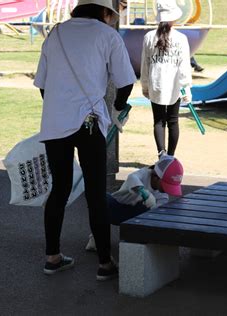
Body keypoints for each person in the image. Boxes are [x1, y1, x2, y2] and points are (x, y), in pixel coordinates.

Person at [33, 0, 136, 280]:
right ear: (104, 11)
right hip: (90, 121)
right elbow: (126, 81)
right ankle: (105, 263)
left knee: (60, 189)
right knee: (95, 192)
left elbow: (42, 84)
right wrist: (116, 108)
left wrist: (60, 109)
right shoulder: (107, 35)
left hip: (55, 122)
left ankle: (52, 257)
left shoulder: (55, 33)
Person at [85, 155, 184, 251]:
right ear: (156, 177)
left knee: (151, 212)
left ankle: (130, 239)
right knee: (99, 197)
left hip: (136, 217)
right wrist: (144, 192)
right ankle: (97, 235)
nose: (167, 190)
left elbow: (157, 217)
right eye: (166, 185)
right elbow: (132, 177)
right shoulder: (144, 174)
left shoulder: (163, 196)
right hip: (116, 207)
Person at [140, 0, 192, 158]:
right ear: (174, 17)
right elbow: (184, 67)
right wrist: (186, 88)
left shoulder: (149, 37)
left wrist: (145, 86)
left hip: (156, 84)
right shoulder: (181, 38)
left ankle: (161, 155)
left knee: (158, 121)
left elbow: (145, 64)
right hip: (175, 85)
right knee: (173, 121)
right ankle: (171, 156)